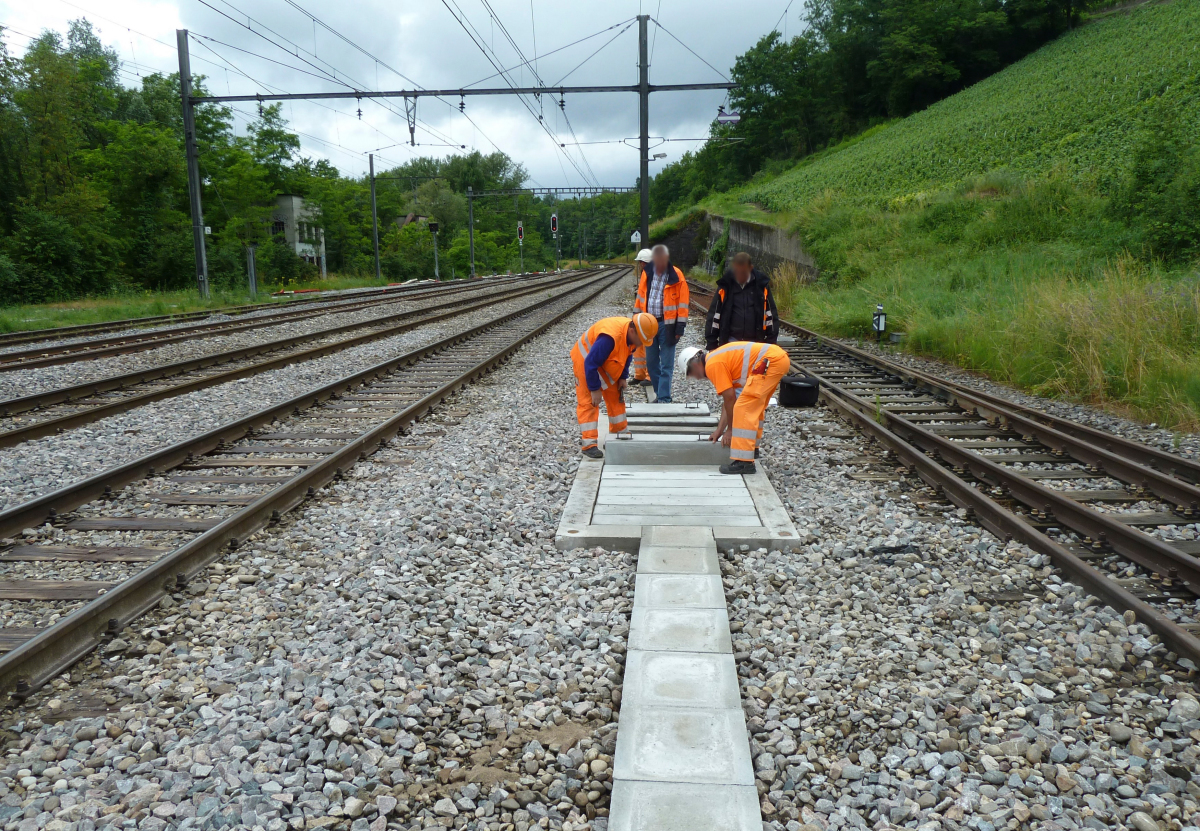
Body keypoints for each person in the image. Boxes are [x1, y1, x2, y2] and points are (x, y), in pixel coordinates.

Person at [676, 341, 790, 475]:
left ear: (694, 364)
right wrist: (720, 430)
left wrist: (730, 430)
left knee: (744, 409)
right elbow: (727, 400)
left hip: (770, 361)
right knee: (753, 407)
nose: (695, 377)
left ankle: (744, 462)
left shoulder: (713, 365)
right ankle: (751, 448)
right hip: (776, 359)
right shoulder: (714, 359)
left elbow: (730, 398)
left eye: (691, 373)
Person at [571, 313, 659, 459]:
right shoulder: (609, 338)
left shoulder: (632, 336)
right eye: (641, 340)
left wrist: (623, 377)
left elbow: (627, 354)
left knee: (616, 396)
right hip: (586, 361)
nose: (641, 344)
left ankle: (620, 432)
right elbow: (590, 363)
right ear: (632, 331)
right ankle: (589, 444)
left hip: (608, 361)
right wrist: (594, 389)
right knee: (590, 402)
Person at [633, 244, 689, 403]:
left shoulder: (676, 276)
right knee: (651, 363)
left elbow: (683, 304)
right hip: (648, 324)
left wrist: (680, 327)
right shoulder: (647, 273)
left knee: (666, 364)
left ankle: (664, 398)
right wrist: (636, 320)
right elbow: (641, 297)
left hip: (667, 325)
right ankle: (659, 393)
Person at [704, 251, 779, 350]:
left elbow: (771, 315)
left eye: (743, 272)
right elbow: (714, 316)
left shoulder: (761, 286)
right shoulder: (725, 286)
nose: (739, 276)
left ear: (750, 268)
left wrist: (771, 342)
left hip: (755, 343)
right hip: (730, 342)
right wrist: (712, 344)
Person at [630, 249, 655, 386]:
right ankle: (639, 375)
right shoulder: (645, 274)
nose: (640, 265)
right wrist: (635, 316)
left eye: (641, 262)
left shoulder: (655, 275)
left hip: (649, 318)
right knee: (638, 346)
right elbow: (640, 297)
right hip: (641, 317)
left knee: (649, 347)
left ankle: (649, 377)